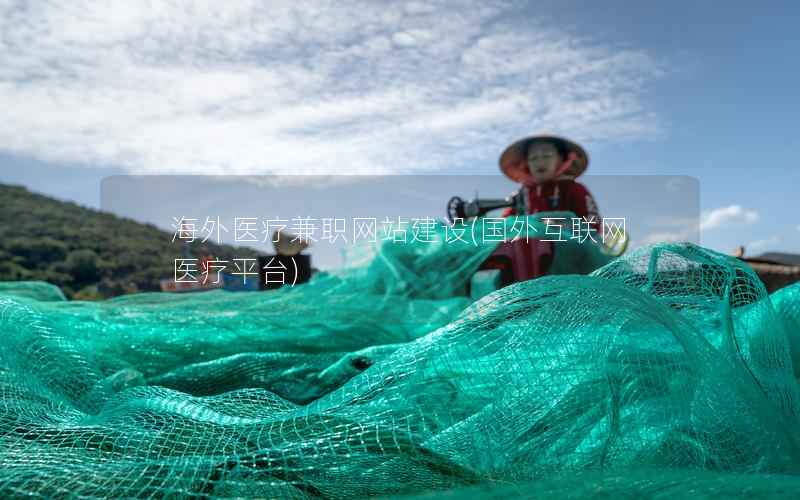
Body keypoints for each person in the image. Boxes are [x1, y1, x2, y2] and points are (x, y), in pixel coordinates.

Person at [498, 134, 601, 229]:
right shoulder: (521, 196)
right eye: (533, 158)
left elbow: (593, 224)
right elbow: (504, 224)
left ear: (561, 159)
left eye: (547, 155)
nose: (540, 162)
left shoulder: (575, 189)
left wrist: (561, 226)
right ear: (527, 164)